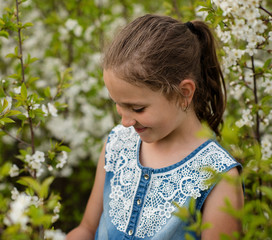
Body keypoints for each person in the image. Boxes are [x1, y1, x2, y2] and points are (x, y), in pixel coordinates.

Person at [66, 14, 244, 240]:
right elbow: (87, 229)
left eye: (138, 108)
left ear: (184, 92)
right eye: (118, 105)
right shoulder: (118, 144)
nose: (125, 122)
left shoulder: (219, 177)